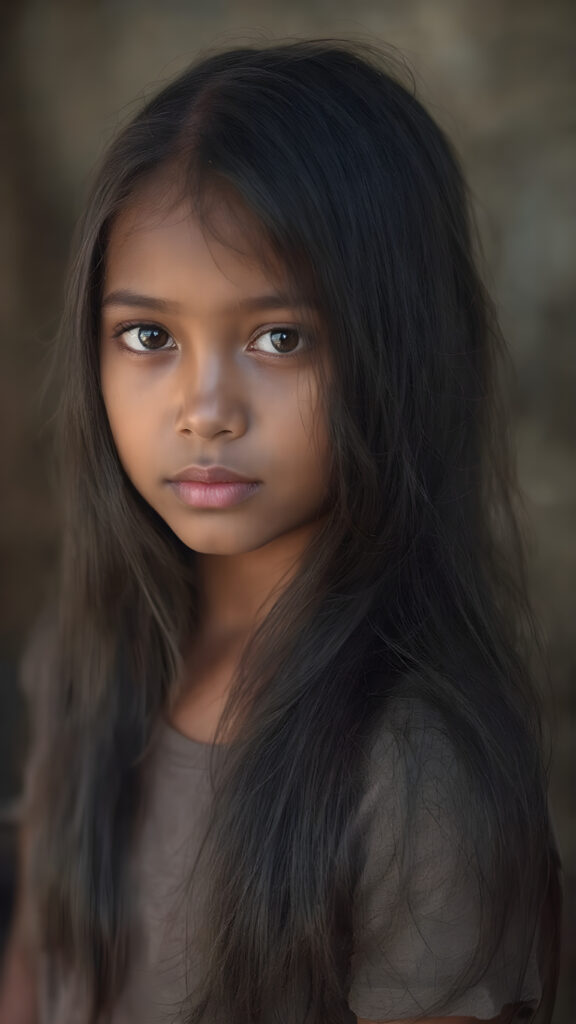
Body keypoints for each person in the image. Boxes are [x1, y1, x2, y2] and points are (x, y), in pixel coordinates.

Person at [0, 37, 562, 1024]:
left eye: (278, 338)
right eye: (149, 336)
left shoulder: (413, 771)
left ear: (398, 348)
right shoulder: (83, 665)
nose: (203, 408)